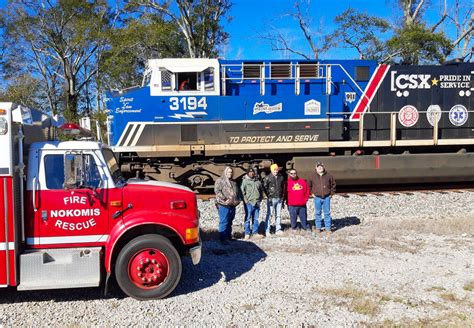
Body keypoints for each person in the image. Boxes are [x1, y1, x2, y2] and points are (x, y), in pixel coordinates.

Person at [214, 166, 241, 244]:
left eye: (231, 172)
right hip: (223, 204)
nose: (230, 173)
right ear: (225, 172)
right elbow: (217, 191)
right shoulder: (220, 181)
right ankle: (223, 239)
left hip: (232, 205)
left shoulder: (233, 182)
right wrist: (225, 199)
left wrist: (237, 200)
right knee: (224, 222)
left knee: (230, 222)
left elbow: (237, 192)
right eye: (229, 172)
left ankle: (228, 237)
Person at [308, 162, 336, 234]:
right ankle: (318, 228)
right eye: (318, 167)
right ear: (316, 168)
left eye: (321, 166)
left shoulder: (329, 175)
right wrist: (312, 194)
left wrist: (331, 194)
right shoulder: (312, 176)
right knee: (318, 213)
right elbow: (309, 186)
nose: (320, 168)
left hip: (326, 197)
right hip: (317, 197)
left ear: (323, 167)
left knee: (327, 213)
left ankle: (328, 228)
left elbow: (333, 185)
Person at [240, 168, 264, 240]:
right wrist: (246, 201)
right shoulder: (244, 181)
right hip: (249, 203)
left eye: (252, 172)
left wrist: (260, 199)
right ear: (247, 173)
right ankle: (247, 233)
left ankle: (255, 233)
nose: (251, 173)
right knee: (248, 218)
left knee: (256, 218)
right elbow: (242, 192)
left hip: (256, 202)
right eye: (250, 172)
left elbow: (261, 191)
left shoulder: (258, 181)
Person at [263, 163, 286, 236]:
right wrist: (268, 196)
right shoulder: (267, 178)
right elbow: (265, 188)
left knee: (278, 215)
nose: (276, 171)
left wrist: (282, 196)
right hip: (271, 198)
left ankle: (278, 229)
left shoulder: (281, 177)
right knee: (269, 214)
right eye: (274, 170)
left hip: (279, 198)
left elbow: (282, 187)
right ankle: (267, 230)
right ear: (271, 170)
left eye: (276, 169)